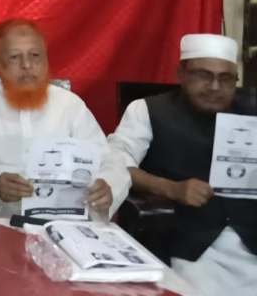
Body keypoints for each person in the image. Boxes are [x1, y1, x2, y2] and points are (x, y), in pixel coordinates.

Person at [107, 34, 256, 294]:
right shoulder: (147, 110)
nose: (215, 87)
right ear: (181, 74)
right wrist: (171, 188)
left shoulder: (252, 108)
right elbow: (115, 163)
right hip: (190, 247)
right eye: (204, 76)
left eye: (225, 78)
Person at [0, 18, 130, 219]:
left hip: (65, 219)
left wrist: (108, 186)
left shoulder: (70, 105)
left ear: (46, 60)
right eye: (14, 57)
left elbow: (109, 160)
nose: (27, 65)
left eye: (35, 55)